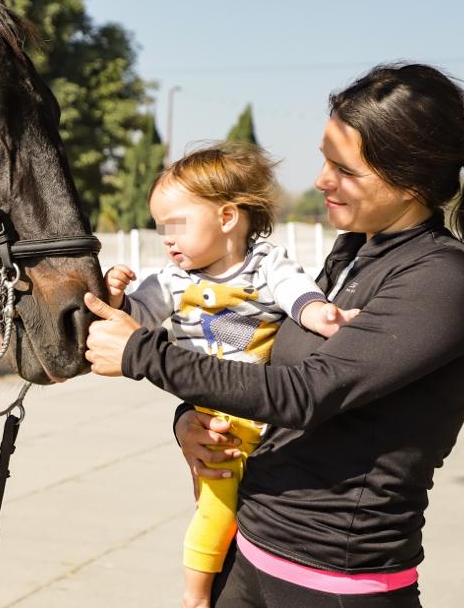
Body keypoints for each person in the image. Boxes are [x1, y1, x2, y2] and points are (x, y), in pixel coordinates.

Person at [84, 63, 464, 607]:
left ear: (410, 179)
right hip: (252, 551)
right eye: (324, 160)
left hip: (335, 582)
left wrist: (143, 352)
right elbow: (261, 360)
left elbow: (307, 393)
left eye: (342, 168)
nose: (322, 180)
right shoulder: (352, 252)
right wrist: (189, 420)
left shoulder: (441, 279)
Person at [103, 142, 357, 608]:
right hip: (214, 415)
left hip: (258, 407)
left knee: (228, 510)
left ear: (226, 219)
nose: (168, 240)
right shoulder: (170, 280)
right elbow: (137, 318)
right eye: (163, 230)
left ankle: (208, 588)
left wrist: (317, 312)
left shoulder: (265, 263)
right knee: (216, 507)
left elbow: (294, 289)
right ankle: (200, 593)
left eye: (176, 226)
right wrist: (119, 299)